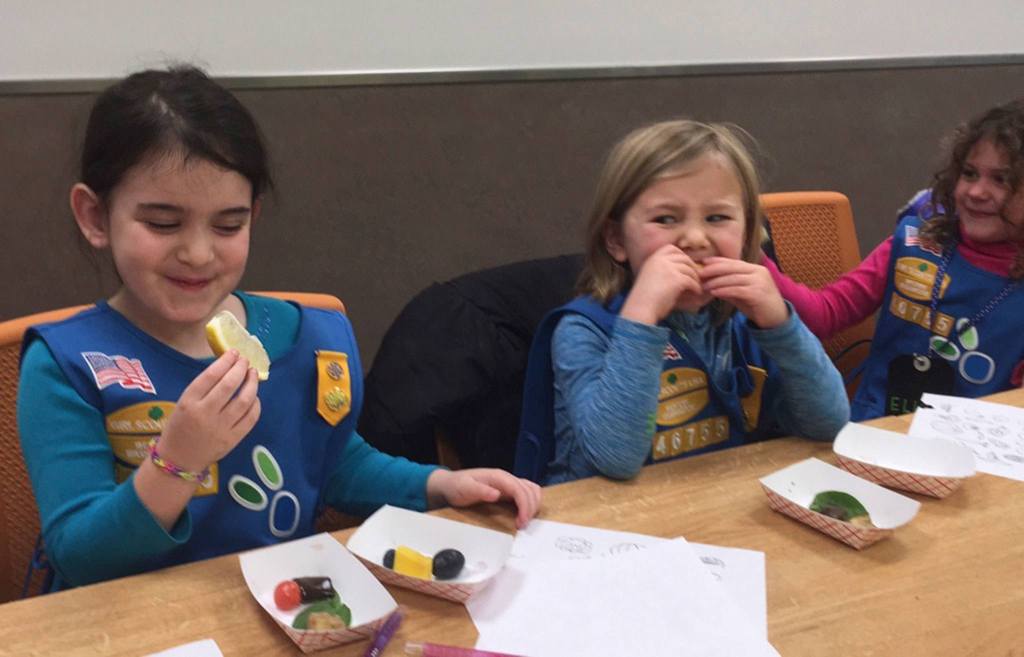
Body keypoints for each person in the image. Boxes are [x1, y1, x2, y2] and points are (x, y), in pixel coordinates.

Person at [16, 66, 541, 590]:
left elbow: (334, 465)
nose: (198, 253)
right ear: (94, 216)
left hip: (276, 612)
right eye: (162, 223)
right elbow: (79, 557)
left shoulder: (309, 341)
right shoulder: (70, 364)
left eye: (228, 225)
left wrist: (442, 485)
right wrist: (177, 460)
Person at [515, 120, 849, 485]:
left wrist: (781, 326)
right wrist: (641, 318)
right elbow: (615, 458)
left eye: (717, 217)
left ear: (747, 232)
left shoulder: (744, 322)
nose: (694, 238)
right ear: (616, 240)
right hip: (600, 526)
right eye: (665, 219)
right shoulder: (583, 331)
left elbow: (828, 423)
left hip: (708, 512)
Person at [766, 99, 1024, 421]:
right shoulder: (915, 243)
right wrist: (754, 262)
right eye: (970, 173)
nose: (976, 191)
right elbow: (824, 314)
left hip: (978, 452)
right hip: (876, 431)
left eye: (1002, 180)